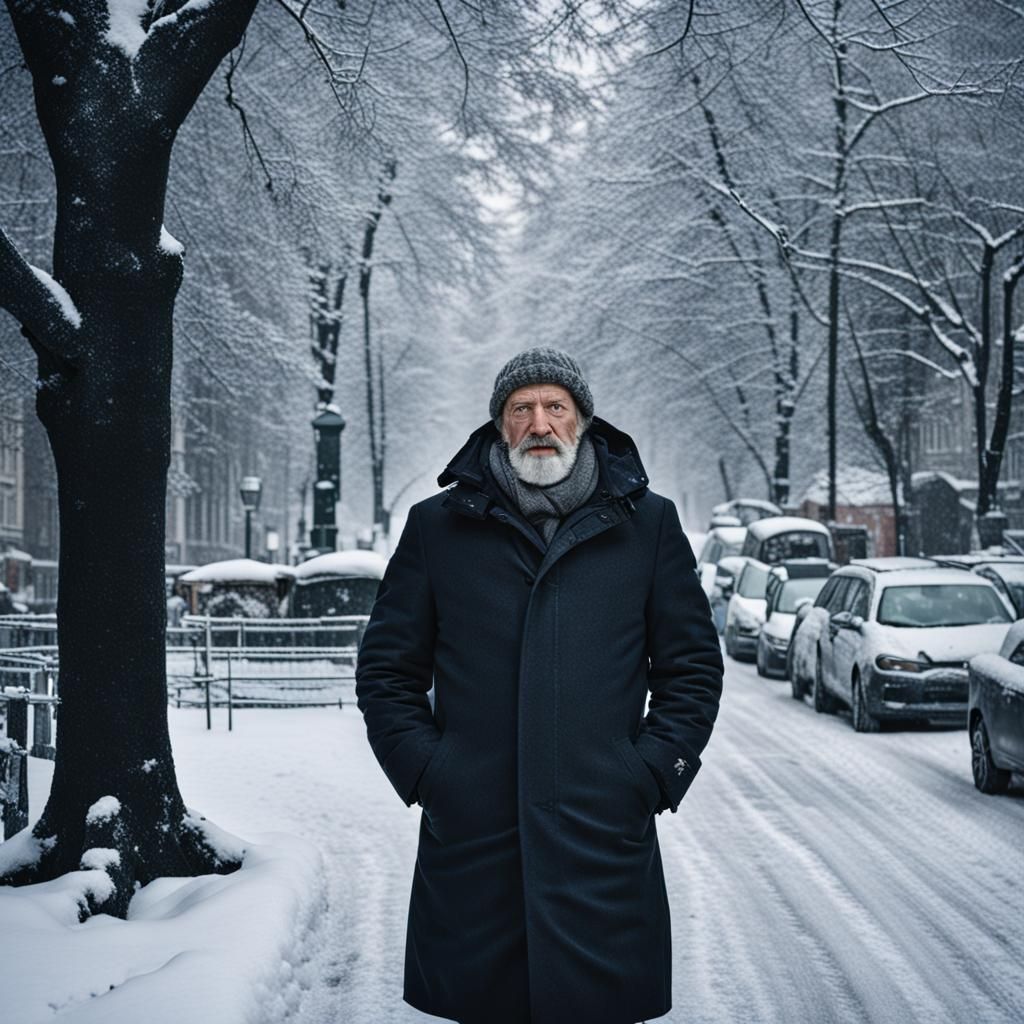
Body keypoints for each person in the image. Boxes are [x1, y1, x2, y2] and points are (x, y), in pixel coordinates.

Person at [356, 347, 723, 1024]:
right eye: (521, 409)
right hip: (474, 838)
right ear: (500, 426)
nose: (539, 423)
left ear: (583, 421)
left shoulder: (649, 525)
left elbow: (692, 667)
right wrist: (430, 771)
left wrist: (649, 773)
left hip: (602, 834)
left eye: (556, 407)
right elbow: (387, 669)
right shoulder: (439, 526)